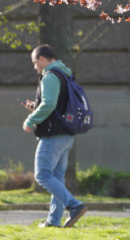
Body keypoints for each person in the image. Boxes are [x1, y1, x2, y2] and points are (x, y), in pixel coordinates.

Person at [21, 44, 88, 228]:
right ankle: (53, 220)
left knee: (42, 174)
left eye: (35, 63)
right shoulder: (64, 74)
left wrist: (30, 120)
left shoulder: (50, 76)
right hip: (66, 134)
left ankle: (74, 206)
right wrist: (36, 106)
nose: (35, 67)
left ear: (42, 59)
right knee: (57, 178)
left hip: (53, 135)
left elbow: (49, 104)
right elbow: (57, 105)